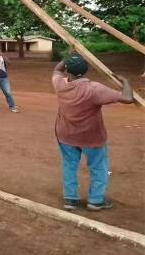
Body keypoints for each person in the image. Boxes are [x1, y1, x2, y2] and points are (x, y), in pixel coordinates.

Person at [52, 52, 134, 211]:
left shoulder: (60, 84)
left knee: (70, 165)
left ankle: (70, 199)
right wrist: (126, 81)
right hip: (91, 137)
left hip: (66, 135)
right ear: (87, 69)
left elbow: (57, 70)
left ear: (68, 70)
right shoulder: (94, 89)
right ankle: (96, 200)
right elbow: (127, 98)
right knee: (98, 167)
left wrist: (68, 58)